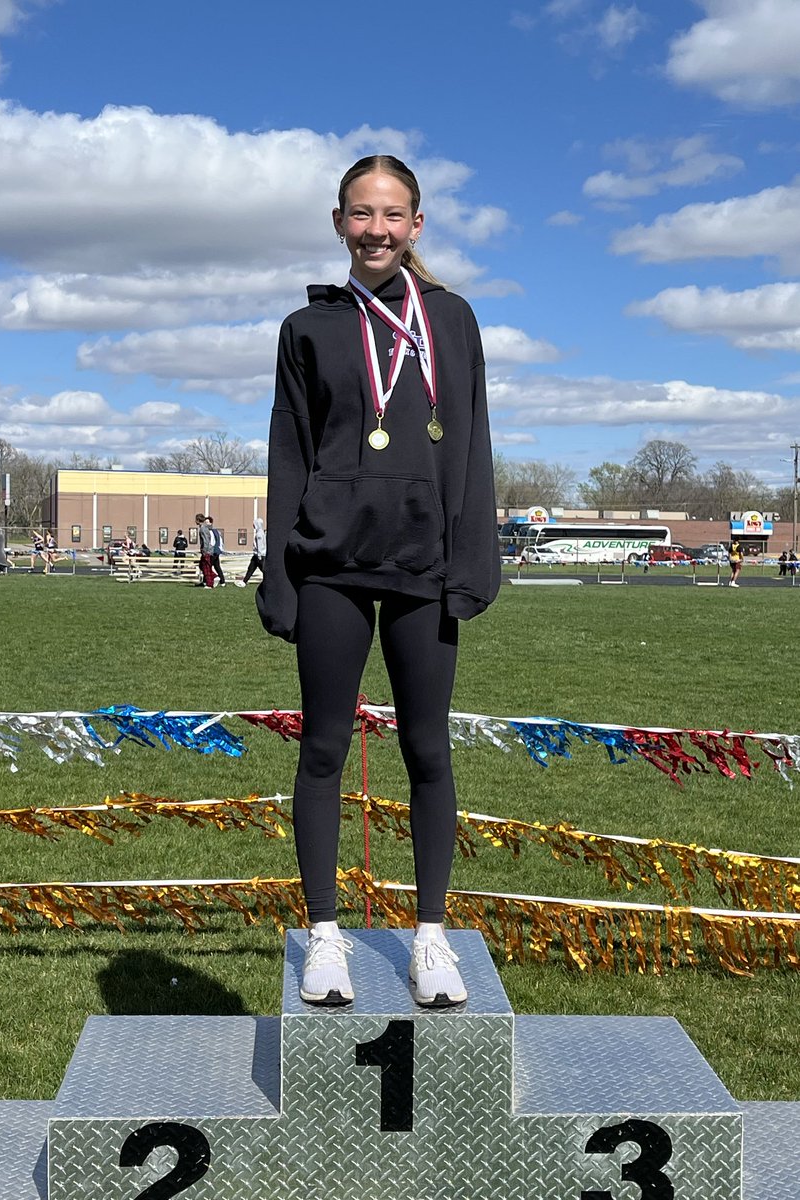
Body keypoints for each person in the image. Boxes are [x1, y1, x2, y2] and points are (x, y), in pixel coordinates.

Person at [257, 154, 500, 1008]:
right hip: (329, 564)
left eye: (393, 215)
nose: (377, 230)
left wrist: (476, 560)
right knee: (322, 748)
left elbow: (471, 443)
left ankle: (430, 936)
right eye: (362, 215)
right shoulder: (306, 329)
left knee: (426, 750)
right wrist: (280, 571)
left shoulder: (453, 320)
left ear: (417, 225)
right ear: (338, 224)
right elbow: (289, 455)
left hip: (424, 568)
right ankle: (325, 934)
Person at [235, 517, 266, 587]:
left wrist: (259, 555)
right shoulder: (261, 532)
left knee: (263, 570)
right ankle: (244, 581)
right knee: (251, 568)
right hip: (258, 555)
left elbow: (260, 545)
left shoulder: (259, 534)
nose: (253, 525)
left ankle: (270, 581)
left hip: (259, 555)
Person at [206, 516, 227, 586]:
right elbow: (220, 542)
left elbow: (212, 542)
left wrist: (208, 550)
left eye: (207, 522)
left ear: (211, 523)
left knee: (207, 566)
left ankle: (212, 579)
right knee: (217, 566)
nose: (206, 524)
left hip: (212, 552)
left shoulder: (210, 532)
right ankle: (222, 581)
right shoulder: (216, 531)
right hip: (216, 551)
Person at [197, 515, 216, 589]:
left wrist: (205, 551)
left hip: (207, 551)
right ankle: (213, 576)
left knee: (206, 567)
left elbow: (206, 540)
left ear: (198, 520)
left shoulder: (203, 528)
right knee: (201, 565)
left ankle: (210, 583)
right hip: (207, 550)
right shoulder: (205, 528)